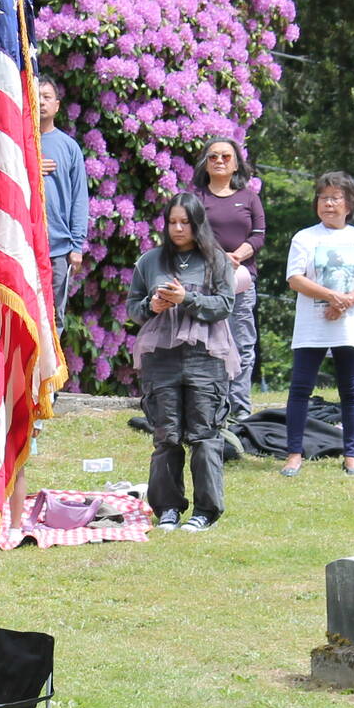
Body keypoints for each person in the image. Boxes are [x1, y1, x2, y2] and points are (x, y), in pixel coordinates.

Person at [127, 192, 237, 531]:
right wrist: (152, 306)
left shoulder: (217, 259)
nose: (177, 229)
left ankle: (206, 511)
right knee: (166, 436)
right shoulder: (150, 261)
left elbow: (225, 304)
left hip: (206, 357)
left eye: (184, 223)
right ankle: (168, 509)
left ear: (197, 224)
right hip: (161, 357)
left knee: (204, 435)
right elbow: (133, 309)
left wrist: (187, 299)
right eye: (172, 222)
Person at [281, 172, 354, 475]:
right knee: (300, 388)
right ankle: (293, 453)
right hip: (313, 324)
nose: (328, 204)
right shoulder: (305, 237)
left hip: (349, 324)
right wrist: (331, 297)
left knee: (351, 390)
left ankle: (351, 454)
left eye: (335, 198)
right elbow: (295, 279)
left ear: (348, 204)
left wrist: (346, 302)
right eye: (323, 197)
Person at [194, 138, 267, 419]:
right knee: (208, 345)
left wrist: (236, 256)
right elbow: (189, 233)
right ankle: (211, 408)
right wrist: (217, 256)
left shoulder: (249, 197)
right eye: (213, 156)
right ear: (206, 163)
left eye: (226, 156)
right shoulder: (198, 199)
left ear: (236, 162)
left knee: (242, 345)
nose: (220, 161)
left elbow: (259, 234)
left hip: (242, 281)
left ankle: (240, 410)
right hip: (205, 282)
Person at [37, 76, 90, 330]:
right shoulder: (15, 145)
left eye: (47, 97)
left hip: (57, 247)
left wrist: (77, 245)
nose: (40, 102)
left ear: (57, 105)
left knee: (53, 318)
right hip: (21, 243)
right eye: (36, 96)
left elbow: (79, 198)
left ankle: (48, 370)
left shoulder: (69, 148)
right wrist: (29, 168)